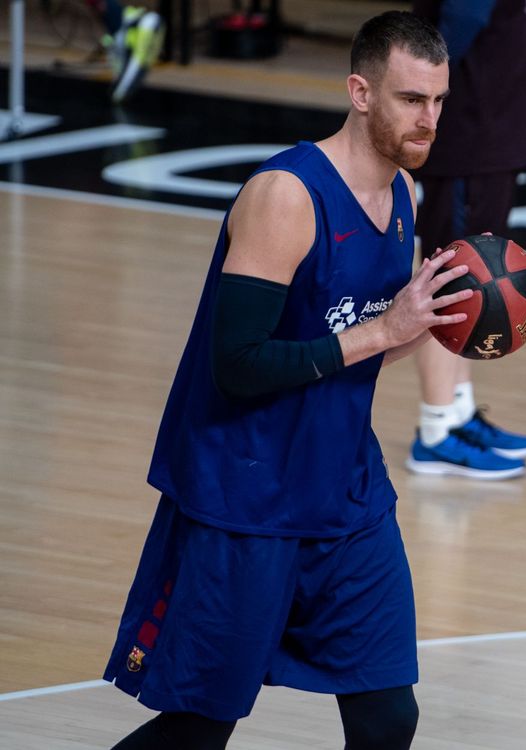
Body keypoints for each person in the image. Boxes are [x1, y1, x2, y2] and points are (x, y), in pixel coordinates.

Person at [103, 12, 466, 749]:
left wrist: (429, 325)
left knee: (388, 717)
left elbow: (354, 345)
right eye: (410, 99)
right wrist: (384, 329)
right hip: (244, 498)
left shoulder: (403, 196)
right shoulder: (286, 196)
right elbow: (237, 364)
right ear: (360, 93)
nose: (428, 120)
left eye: (438, 101)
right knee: (199, 730)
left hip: (346, 495)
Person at [406, 0, 526, 480]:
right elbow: (455, 28)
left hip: (492, 129)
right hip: (470, 134)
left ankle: (459, 413)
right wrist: (426, 106)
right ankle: (436, 428)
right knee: (453, 283)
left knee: (474, 287)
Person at [84, 1, 166, 103]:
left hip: (148, 24)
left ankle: (120, 95)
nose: (96, 10)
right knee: (135, 65)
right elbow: (113, 40)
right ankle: (120, 94)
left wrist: (118, 76)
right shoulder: (109, 15)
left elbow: (117, 47)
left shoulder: (111, 11)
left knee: (135, 65)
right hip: (148, 25)